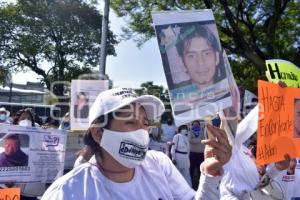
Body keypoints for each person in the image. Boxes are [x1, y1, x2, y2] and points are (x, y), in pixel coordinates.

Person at [42, 87, 232, 200]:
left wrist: (210, 173)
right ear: (99, 133)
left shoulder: (159, 164)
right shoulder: (68, 192)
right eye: (131, 122)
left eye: (145, 123)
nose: (142, 131)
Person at [176, 24, 226, 89]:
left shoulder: (229, 87)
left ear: (217, 57)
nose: (200, 62)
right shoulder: (176, 92)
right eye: (191, 56)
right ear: (182, 63)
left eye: (206, 53)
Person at [12, 108, 46, 200]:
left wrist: (46, 134)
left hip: (30, 187)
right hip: (11, 185)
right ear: (17, 121)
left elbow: (47, 153)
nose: (26, 120)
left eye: (28, 118)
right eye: (23, 118)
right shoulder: (8, 134)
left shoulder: (38, 135)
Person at [188, 120, 205, 190]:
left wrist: (197, 139)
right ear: (192, 126)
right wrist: (199, 139)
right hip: (192, 154)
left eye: (197, 125)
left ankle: (200, 186)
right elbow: (191, 140)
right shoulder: (190, 132)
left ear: (199, 125)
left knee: (200, 171)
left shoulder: (202, 131)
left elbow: (203, 139)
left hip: (201, 154)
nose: (195, 126)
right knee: (191, 170)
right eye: (194, 125)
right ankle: (191, 185)